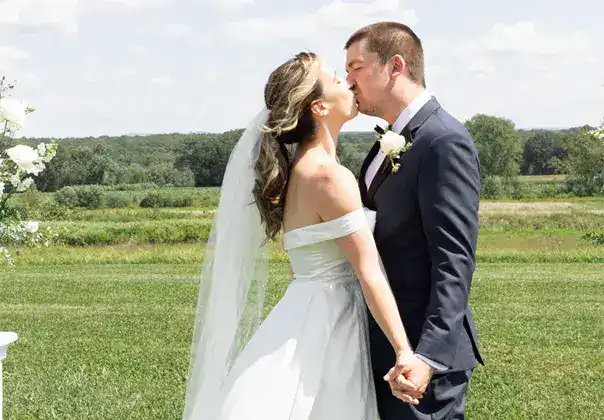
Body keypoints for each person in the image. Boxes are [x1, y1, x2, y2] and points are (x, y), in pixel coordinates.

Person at [179, 51, 426, 420]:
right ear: (320, 108)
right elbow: (368, 271)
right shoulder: (328, 175)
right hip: (327, 325)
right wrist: (404, 351)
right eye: (336, 79)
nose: (348, 81)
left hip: (306, 309)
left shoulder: (300, 169)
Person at [345, 21, 484, 420]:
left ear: (396, 66)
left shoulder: (443, 140)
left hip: (420, 362)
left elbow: (454, 259)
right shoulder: (388, 139)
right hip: (383, 342)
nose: (348, 80)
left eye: (356, 67)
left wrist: (428, 356)